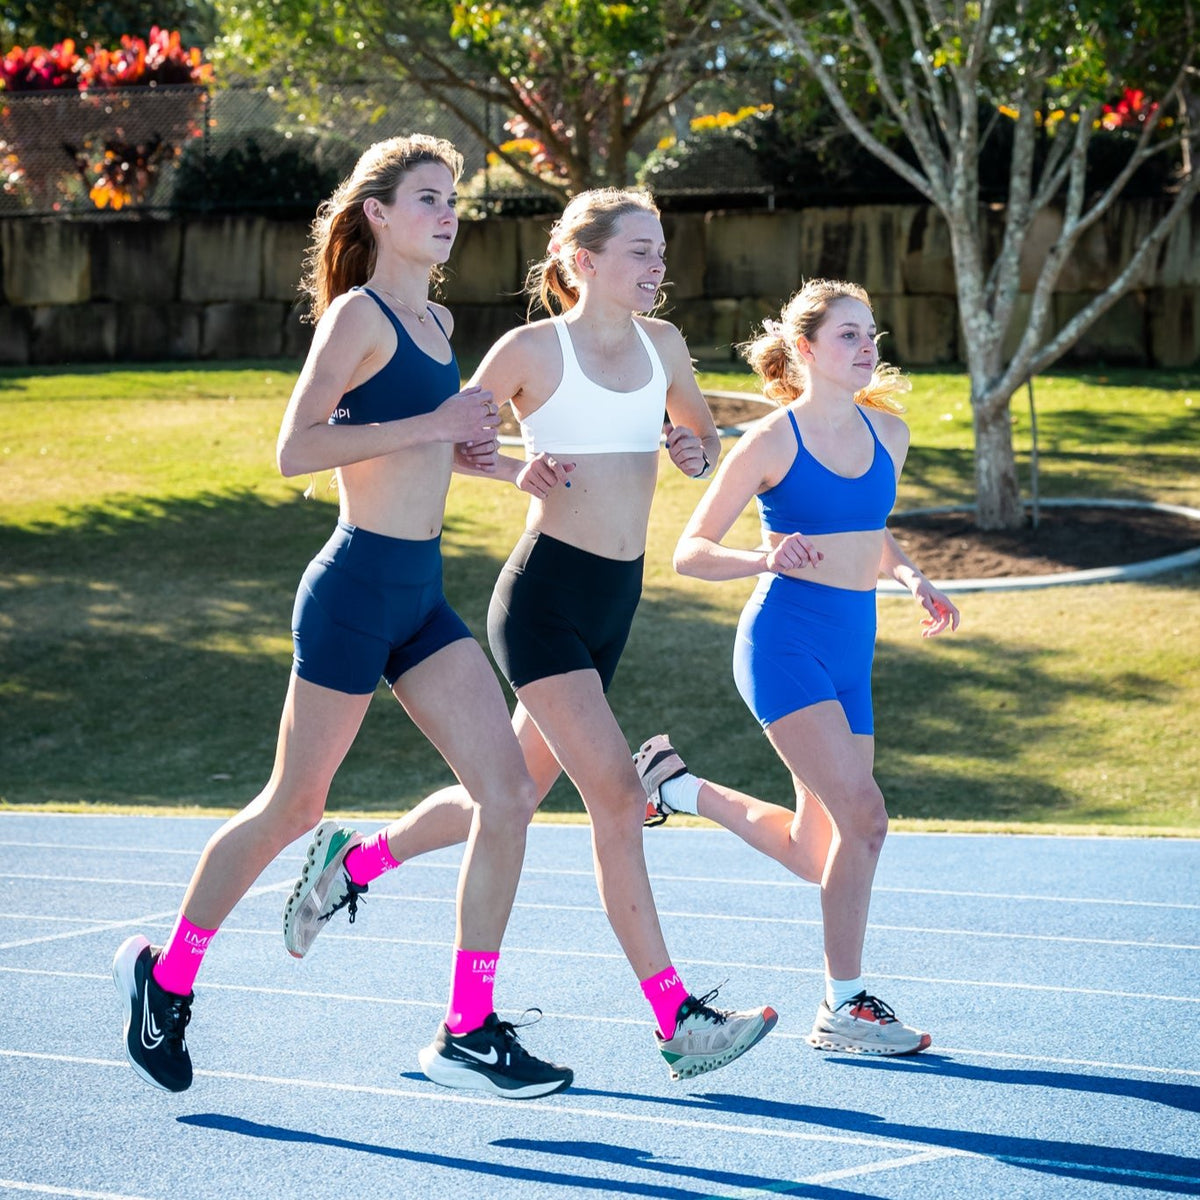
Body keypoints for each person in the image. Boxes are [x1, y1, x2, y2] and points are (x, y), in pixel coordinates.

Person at [112, 134, 573, 1100]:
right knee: (294, 805)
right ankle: (169, 977)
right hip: (356, 588)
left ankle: (469, 1026)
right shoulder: (359, 318)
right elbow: (297, 448)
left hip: (422, 593)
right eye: (427, 199)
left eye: (453, 199)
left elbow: (420, 447)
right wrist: (438, 427)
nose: (447, 214)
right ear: (378, 213)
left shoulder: (439, 322)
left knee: (509, 792)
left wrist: (493, 460)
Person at [282, 187, 778, 1083]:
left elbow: (699, 433)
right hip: (544, 598)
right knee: (620, 797)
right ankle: (676, 1018)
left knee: (498, 797)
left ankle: (355, 864)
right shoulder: (527, 350)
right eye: (640, 251)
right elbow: (453, 440)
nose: (658, 266)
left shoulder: (664, 346)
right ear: (584, 261)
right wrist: (515, 464)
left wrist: (691, 447)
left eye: (661, 251)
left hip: (613, 604)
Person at [635, 278, 960, 1057]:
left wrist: (912, 575)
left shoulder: (893, 435)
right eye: (850, 334)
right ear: (806, 349)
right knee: (868, 819)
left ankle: (675, 786)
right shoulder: (771, 441)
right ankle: (843, 1006)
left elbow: (866, 528)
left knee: (824, 852)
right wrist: (762, 554)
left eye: (872, 333)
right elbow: (689, 552)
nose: (868, 347)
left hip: (854, 649)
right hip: (784, 644)